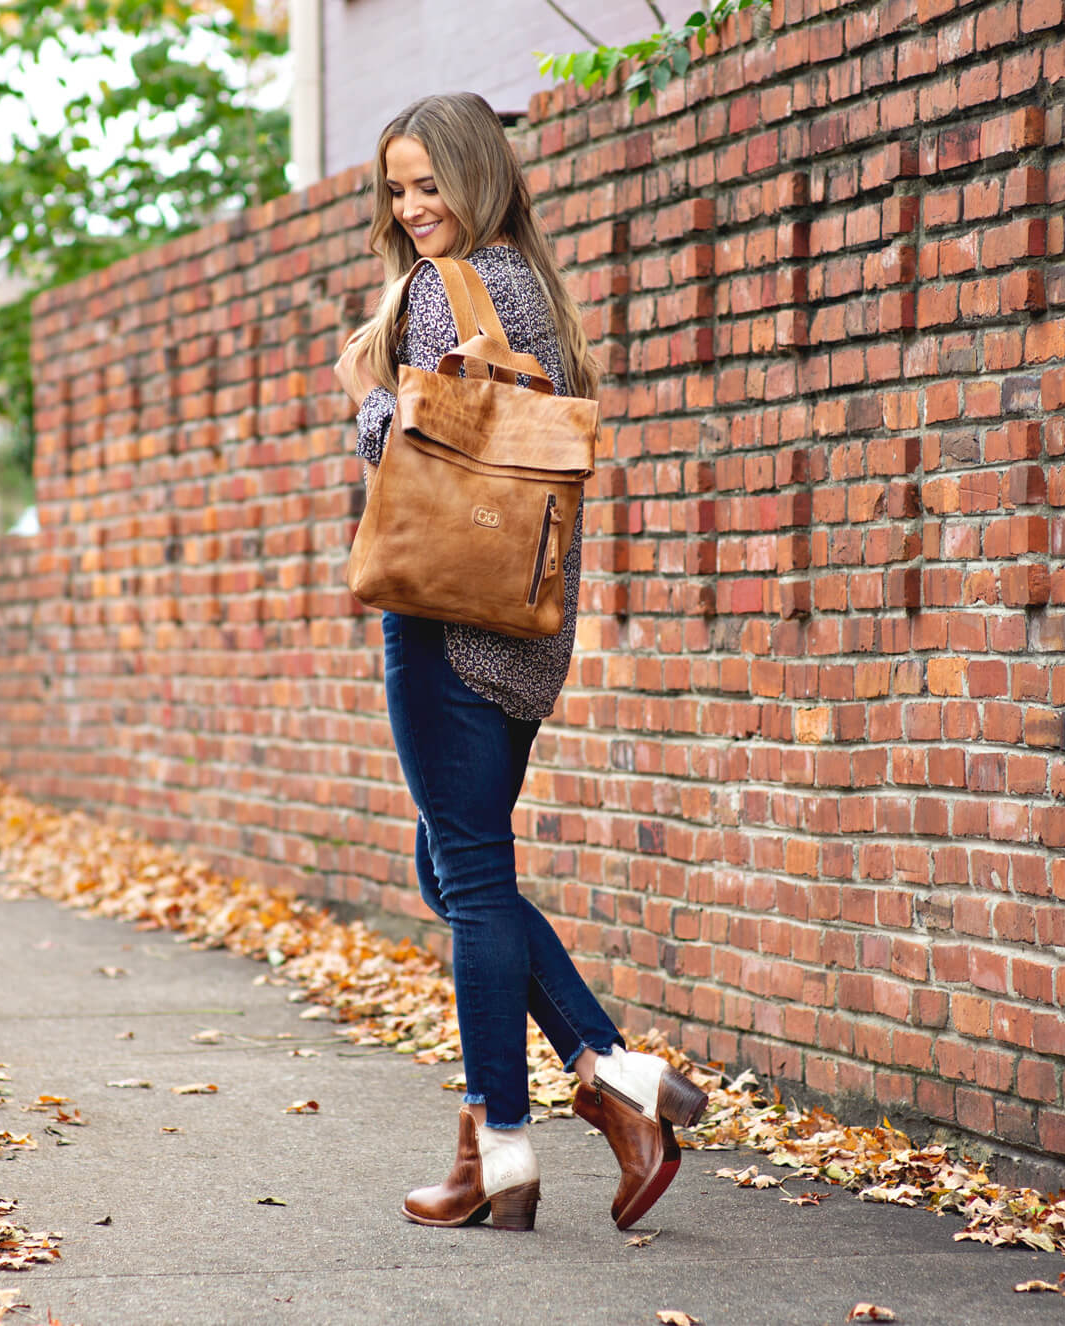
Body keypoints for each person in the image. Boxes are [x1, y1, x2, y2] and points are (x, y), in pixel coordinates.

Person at [339, 92, 708, 1233]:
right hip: (519, 632)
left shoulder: (456, 291)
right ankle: (613, 1077)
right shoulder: (532, 291)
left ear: (477, 179)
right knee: (452, 870)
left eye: (429, 188)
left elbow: (416, 451)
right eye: (396, 193)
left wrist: (363, 389)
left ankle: (500, 1138)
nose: (411, 212)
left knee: (472, 877)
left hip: (445, 619)